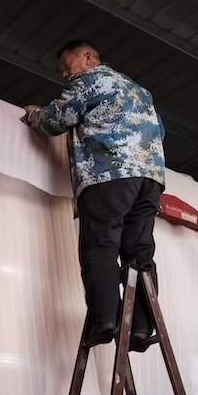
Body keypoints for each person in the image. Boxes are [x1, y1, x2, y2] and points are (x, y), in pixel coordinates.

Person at [23, 40, 165, 350]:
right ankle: (141, 327)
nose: (64, 74)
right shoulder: (140, 91)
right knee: (139, 252)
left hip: (109, 174)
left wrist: (32, 114)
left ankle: (106, 320)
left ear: (87, 58)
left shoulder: (90, 79)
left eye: (66, 65)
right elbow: (160, 132)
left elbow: (55, 120)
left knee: (100, 245)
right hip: (150, 179)